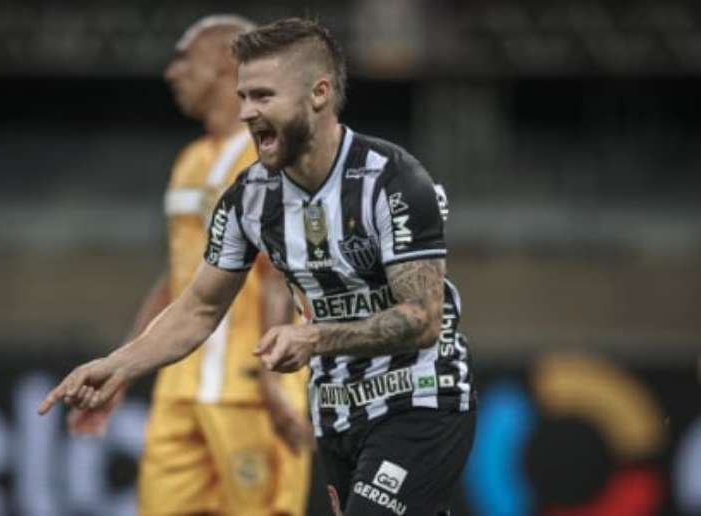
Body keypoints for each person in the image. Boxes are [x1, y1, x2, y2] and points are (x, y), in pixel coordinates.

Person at [40, 17, 476, 516]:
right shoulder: (250, 197)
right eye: (244, 95)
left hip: (418, 400)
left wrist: (313, 338)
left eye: (263, 96)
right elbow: (201, 307)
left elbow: (423, 318)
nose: (246, 112)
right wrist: (117, 366)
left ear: (318, 94)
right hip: (336, 412)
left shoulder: (393, 182)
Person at [63, 15, 312, 516]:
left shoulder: (273, 154)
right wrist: (123, 371)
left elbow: (280, 271)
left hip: (248, 390)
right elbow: (178, 277)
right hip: (180, 388)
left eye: (185, 60)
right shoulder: (189, 161)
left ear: (225, 63)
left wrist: (270, 380)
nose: (172, 73)